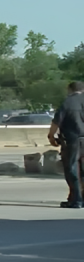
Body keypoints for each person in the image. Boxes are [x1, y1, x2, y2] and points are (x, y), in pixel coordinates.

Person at [48, 81, 84, 209]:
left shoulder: (67, 102)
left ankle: (76, 199)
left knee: (72, 169)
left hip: (72, 140)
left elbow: (56, 122)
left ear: (70, 89)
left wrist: (51, 136)